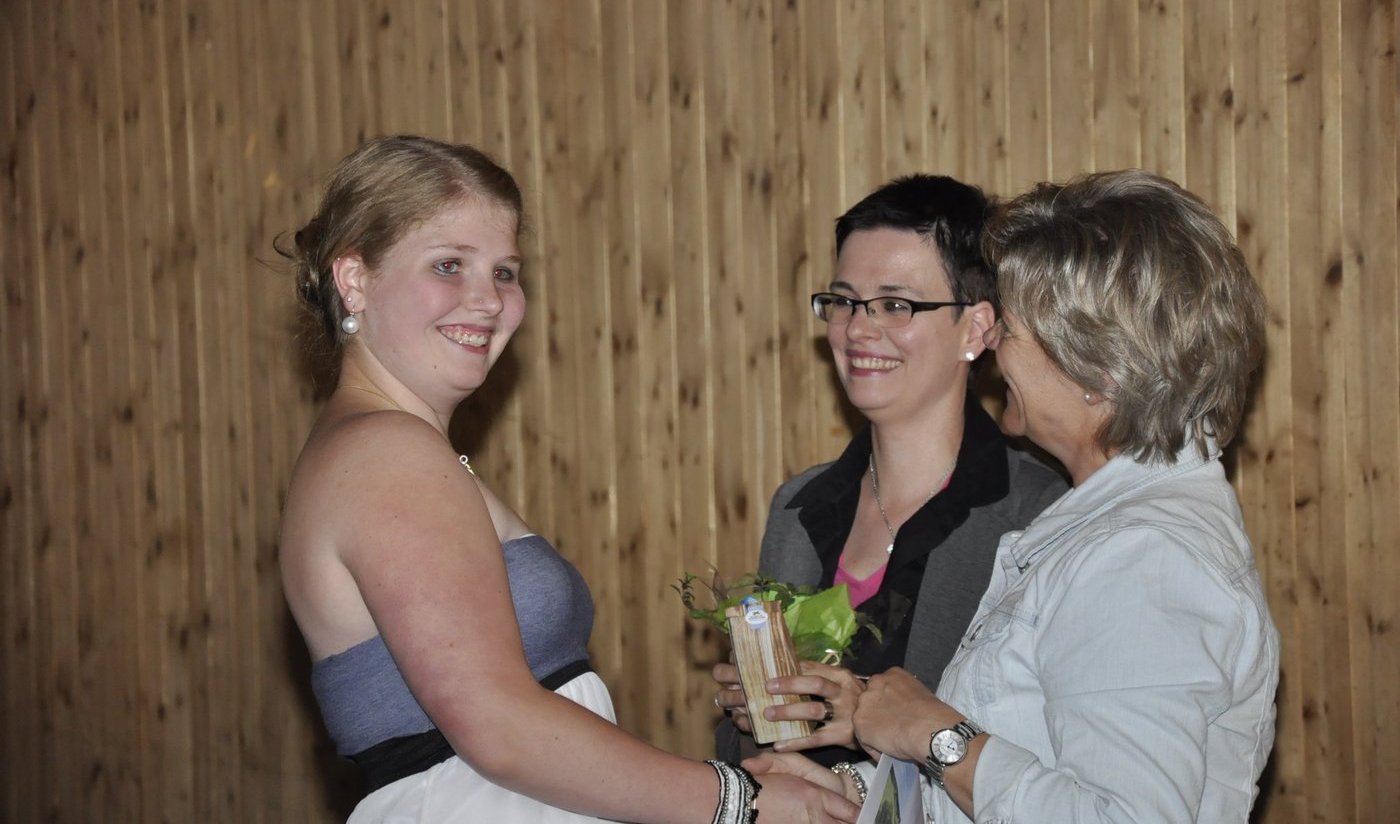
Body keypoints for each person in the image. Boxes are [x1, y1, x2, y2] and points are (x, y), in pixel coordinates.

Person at [279, 135, 858, 824]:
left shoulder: (393, 447)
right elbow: (500, 729)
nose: (487, 301)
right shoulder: (386, 453)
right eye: (448, 264)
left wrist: (720, 785)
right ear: (354, 279)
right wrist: (739, 802)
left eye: (504, 272)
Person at [815, 168, 1278, 821]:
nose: (995, 344)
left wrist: (936, 734)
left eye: (1014, 326)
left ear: (1098, 371)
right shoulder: (1110, 527)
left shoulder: (1143, 556)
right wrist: (846, 796)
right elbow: (1036, 767)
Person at [714, 176, 1067, 776]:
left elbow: (1047, 763)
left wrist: (879, 726)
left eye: (896, 304)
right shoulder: (799, 505)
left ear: (977, 328)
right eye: (844, 300)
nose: (856, 329)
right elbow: (758, 753)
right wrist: (752, 719)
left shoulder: (1041, 517)